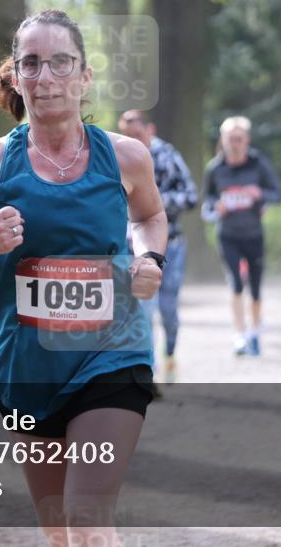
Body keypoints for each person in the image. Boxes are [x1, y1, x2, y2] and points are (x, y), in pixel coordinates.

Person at [0, 9, 167, 546]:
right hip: (28, 364)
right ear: (15, 77)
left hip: (113, 354)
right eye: (31, 64)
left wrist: (150, 259)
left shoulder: (126, 156)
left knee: (86, 520)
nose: (46, 77)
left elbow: (149, 216)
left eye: (61, 62)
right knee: (58, 531)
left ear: (84, 77)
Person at [117, 110, 197, 383]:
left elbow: (190, 196)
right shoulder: (118, 158)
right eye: (127, 136)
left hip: (171, 244)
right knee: (143, 309)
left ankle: (170, 355)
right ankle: (147, 372)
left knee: (168, 310)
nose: (132, 141)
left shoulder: (167, 156)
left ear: (149, 130)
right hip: (134, 247)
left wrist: (153, 203)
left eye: (137, 135)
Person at [202, 116, 281, 356]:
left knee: (255, 289)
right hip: (228, 235)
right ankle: (239, 335)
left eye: (239, 138)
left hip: (253, 234)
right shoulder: (215, 169)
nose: (235, 143)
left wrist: (260, 193)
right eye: (230, 139)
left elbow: (277, 194)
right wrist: (216, 208)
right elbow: (206, 205)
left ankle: (255, 333)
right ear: (223, 140)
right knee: (235, 284)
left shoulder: (259, 165)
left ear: (247, 140)